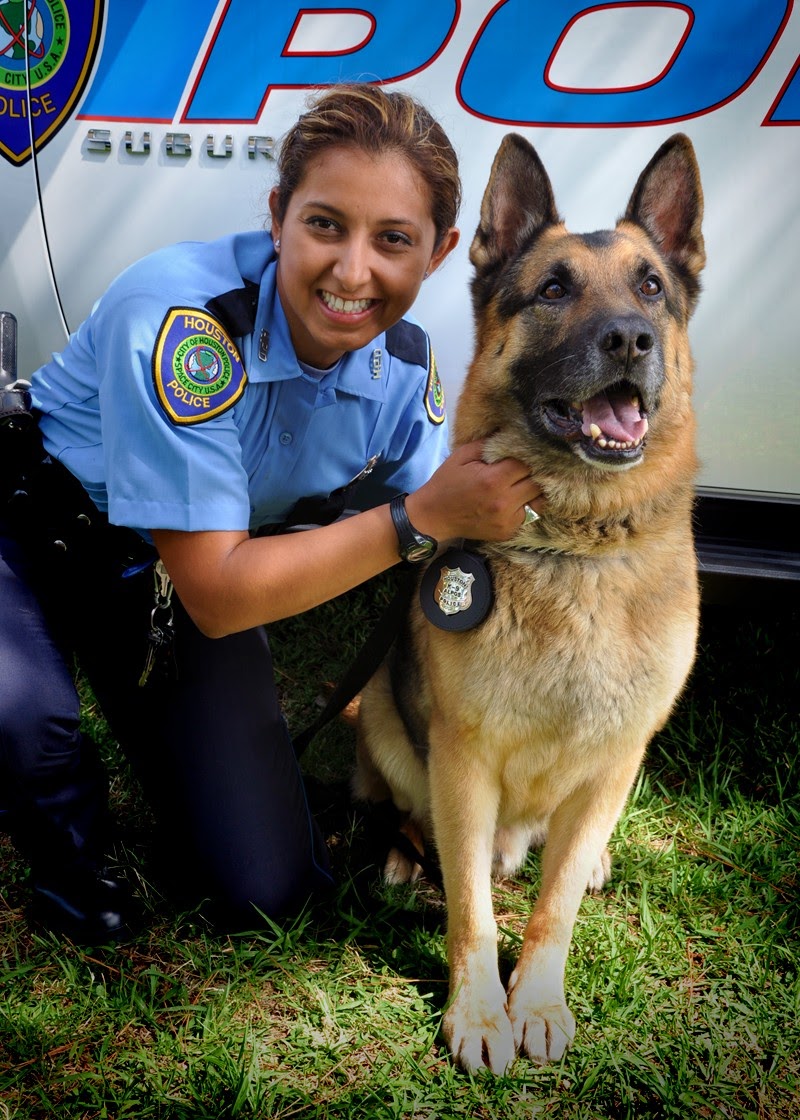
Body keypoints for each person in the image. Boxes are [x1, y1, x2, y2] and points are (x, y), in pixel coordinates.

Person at [0, 83, 544, 942]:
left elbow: (459, 554)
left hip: (156, 584)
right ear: (278, 214)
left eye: (393, 240)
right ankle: (69, 850)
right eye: (324, 224)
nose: (353, 270)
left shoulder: (407, 376)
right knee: (25, 723)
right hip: (26, 534)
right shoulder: (182, 321)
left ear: (437, 253)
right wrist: (418, 521)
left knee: (267, 889)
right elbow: (223, 590)